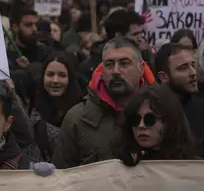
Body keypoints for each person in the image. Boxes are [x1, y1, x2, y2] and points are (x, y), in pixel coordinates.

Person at [53, 37, 156, 169]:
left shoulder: (160, 112)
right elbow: (61, 178)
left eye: (124, 63)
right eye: (109, 64)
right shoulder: (77, 119)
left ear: (141, 68)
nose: (116, 71)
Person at [111, 85, 197, 165]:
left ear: (168, 122)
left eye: (149, 120)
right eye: (135, 119)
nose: (141, 125)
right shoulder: (117, 164)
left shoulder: (193, 167)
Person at [154, 43, 204, 156]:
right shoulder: (150, 110)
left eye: (193, 65)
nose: (192, 73)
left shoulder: (201, 107)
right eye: (183, 68)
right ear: (164, 77)